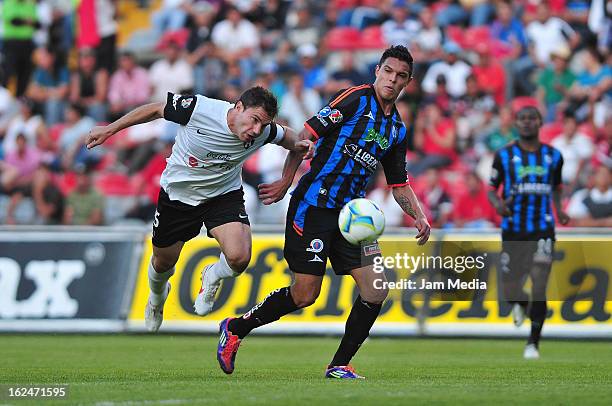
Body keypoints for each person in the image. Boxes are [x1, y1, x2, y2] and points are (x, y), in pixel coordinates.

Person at [216, 46, 431, 379]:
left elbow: (399, 183)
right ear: (377, 70)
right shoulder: (355, 100)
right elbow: (304, 137)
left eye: (400, 75)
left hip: (352, 219)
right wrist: (287, 181)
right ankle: (236, 327)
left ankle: (339, 364)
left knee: (376, 290)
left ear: (408, 82)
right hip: (313, 207)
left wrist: (418, 215)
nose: (392, 79)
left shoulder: (397, 130)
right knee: (305, 294)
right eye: (388, 71)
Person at [85, 86, 313, 332]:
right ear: (238, 108)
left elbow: (294, 141)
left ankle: (212, 275)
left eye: (263, 124)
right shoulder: (199, 109)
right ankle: (157, 296)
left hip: (222, 196)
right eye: (254, 120)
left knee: (239, 258)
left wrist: (293, 167)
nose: (257, 130)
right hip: (178, 196)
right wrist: (109, 129)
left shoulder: (263, 131)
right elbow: (154, 110)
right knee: (162, 262)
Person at [487, 106, 570, 360]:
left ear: (540, 122)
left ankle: (532, 343)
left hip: (543, 228)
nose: (526, 123)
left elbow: (556, 187)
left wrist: (559, 210)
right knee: (511, 289)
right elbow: (492, 189)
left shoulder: (554, 156)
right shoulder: (504, 155)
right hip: (513, 230)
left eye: (531, 118)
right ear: (516, 124)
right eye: (521, 119)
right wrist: (499, 206)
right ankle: (521, 306)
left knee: (540, 280)